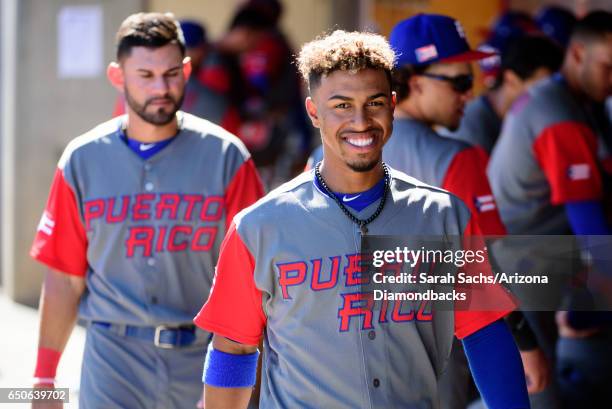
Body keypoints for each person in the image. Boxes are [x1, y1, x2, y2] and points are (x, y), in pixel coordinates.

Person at [193, 29, 528, 409]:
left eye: (374, 102)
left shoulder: (443, 216)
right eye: (341, 105)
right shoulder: (258, 227)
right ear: (314, 112)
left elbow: (483, 332)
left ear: (393, 105)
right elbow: (233, 348)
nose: (361, 121)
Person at [30, 12, 263, 408]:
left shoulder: (227, 157)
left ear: (187, 70)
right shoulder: (81, 160)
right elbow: (64, 279)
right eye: (146, 75)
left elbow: (254, 280)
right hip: (111, 358)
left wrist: (234, 385)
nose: (162, 88)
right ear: (118, 76)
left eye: (172, 73)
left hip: (200, 357)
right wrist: (43, 379)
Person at [386, 14, 546, 409]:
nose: (468, 95)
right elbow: (493, 263)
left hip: (346, 352)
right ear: (415, 81)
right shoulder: (459, 159)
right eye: (459, 82)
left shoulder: (324, 157)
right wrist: (526, 342)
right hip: (440, 354)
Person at [488, 10, 612, 408]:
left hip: (535, 253)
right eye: (608, 68)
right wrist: (593, 308)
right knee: (537, 394)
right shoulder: (558, 113)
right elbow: (590, 222)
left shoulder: (574, 99)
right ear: (577, 54)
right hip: (519, 266)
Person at [442, 34, 563, 154]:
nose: (549, 95)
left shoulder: (524, 118)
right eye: (542, 87)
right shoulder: (469, 132)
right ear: (511, 80)